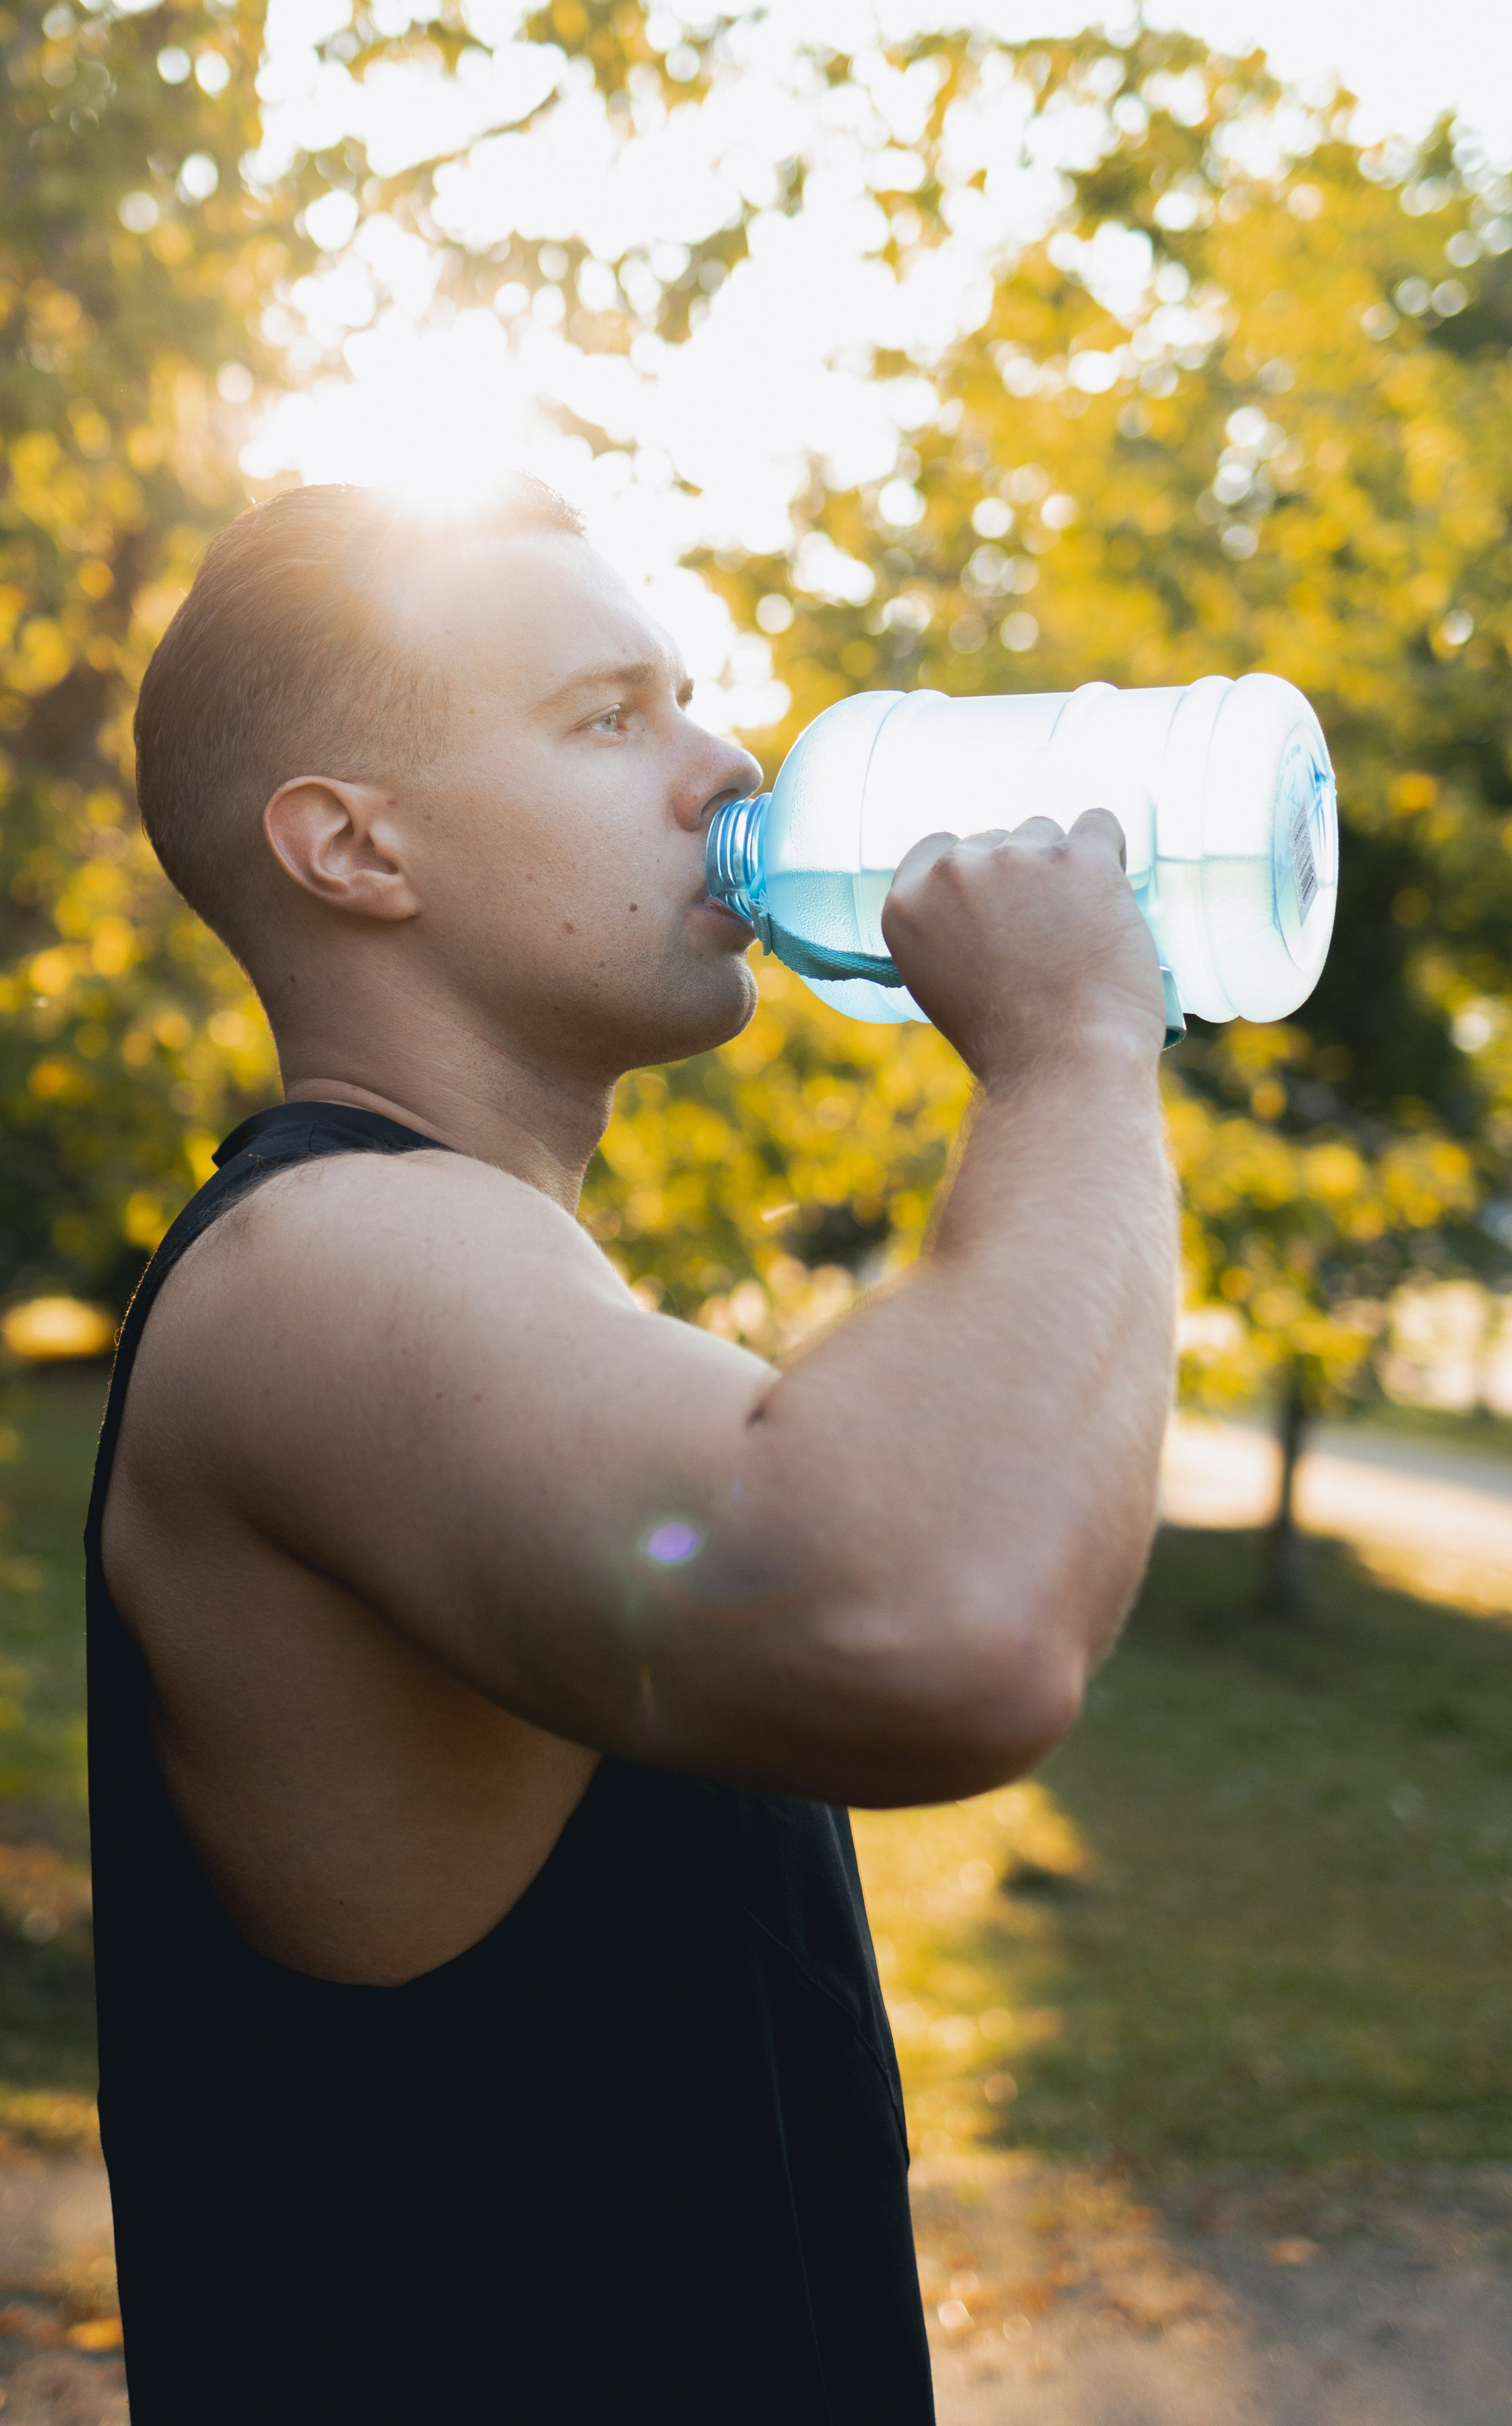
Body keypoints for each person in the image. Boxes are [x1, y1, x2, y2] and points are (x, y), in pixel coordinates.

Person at [89, 474, 1177, 2422]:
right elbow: (946, 1618)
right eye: (610, 719)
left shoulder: (469, 1269)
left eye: (693, 699)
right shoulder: (329, 1260)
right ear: (354, 846)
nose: (730, 761)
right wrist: (1077, 1055)